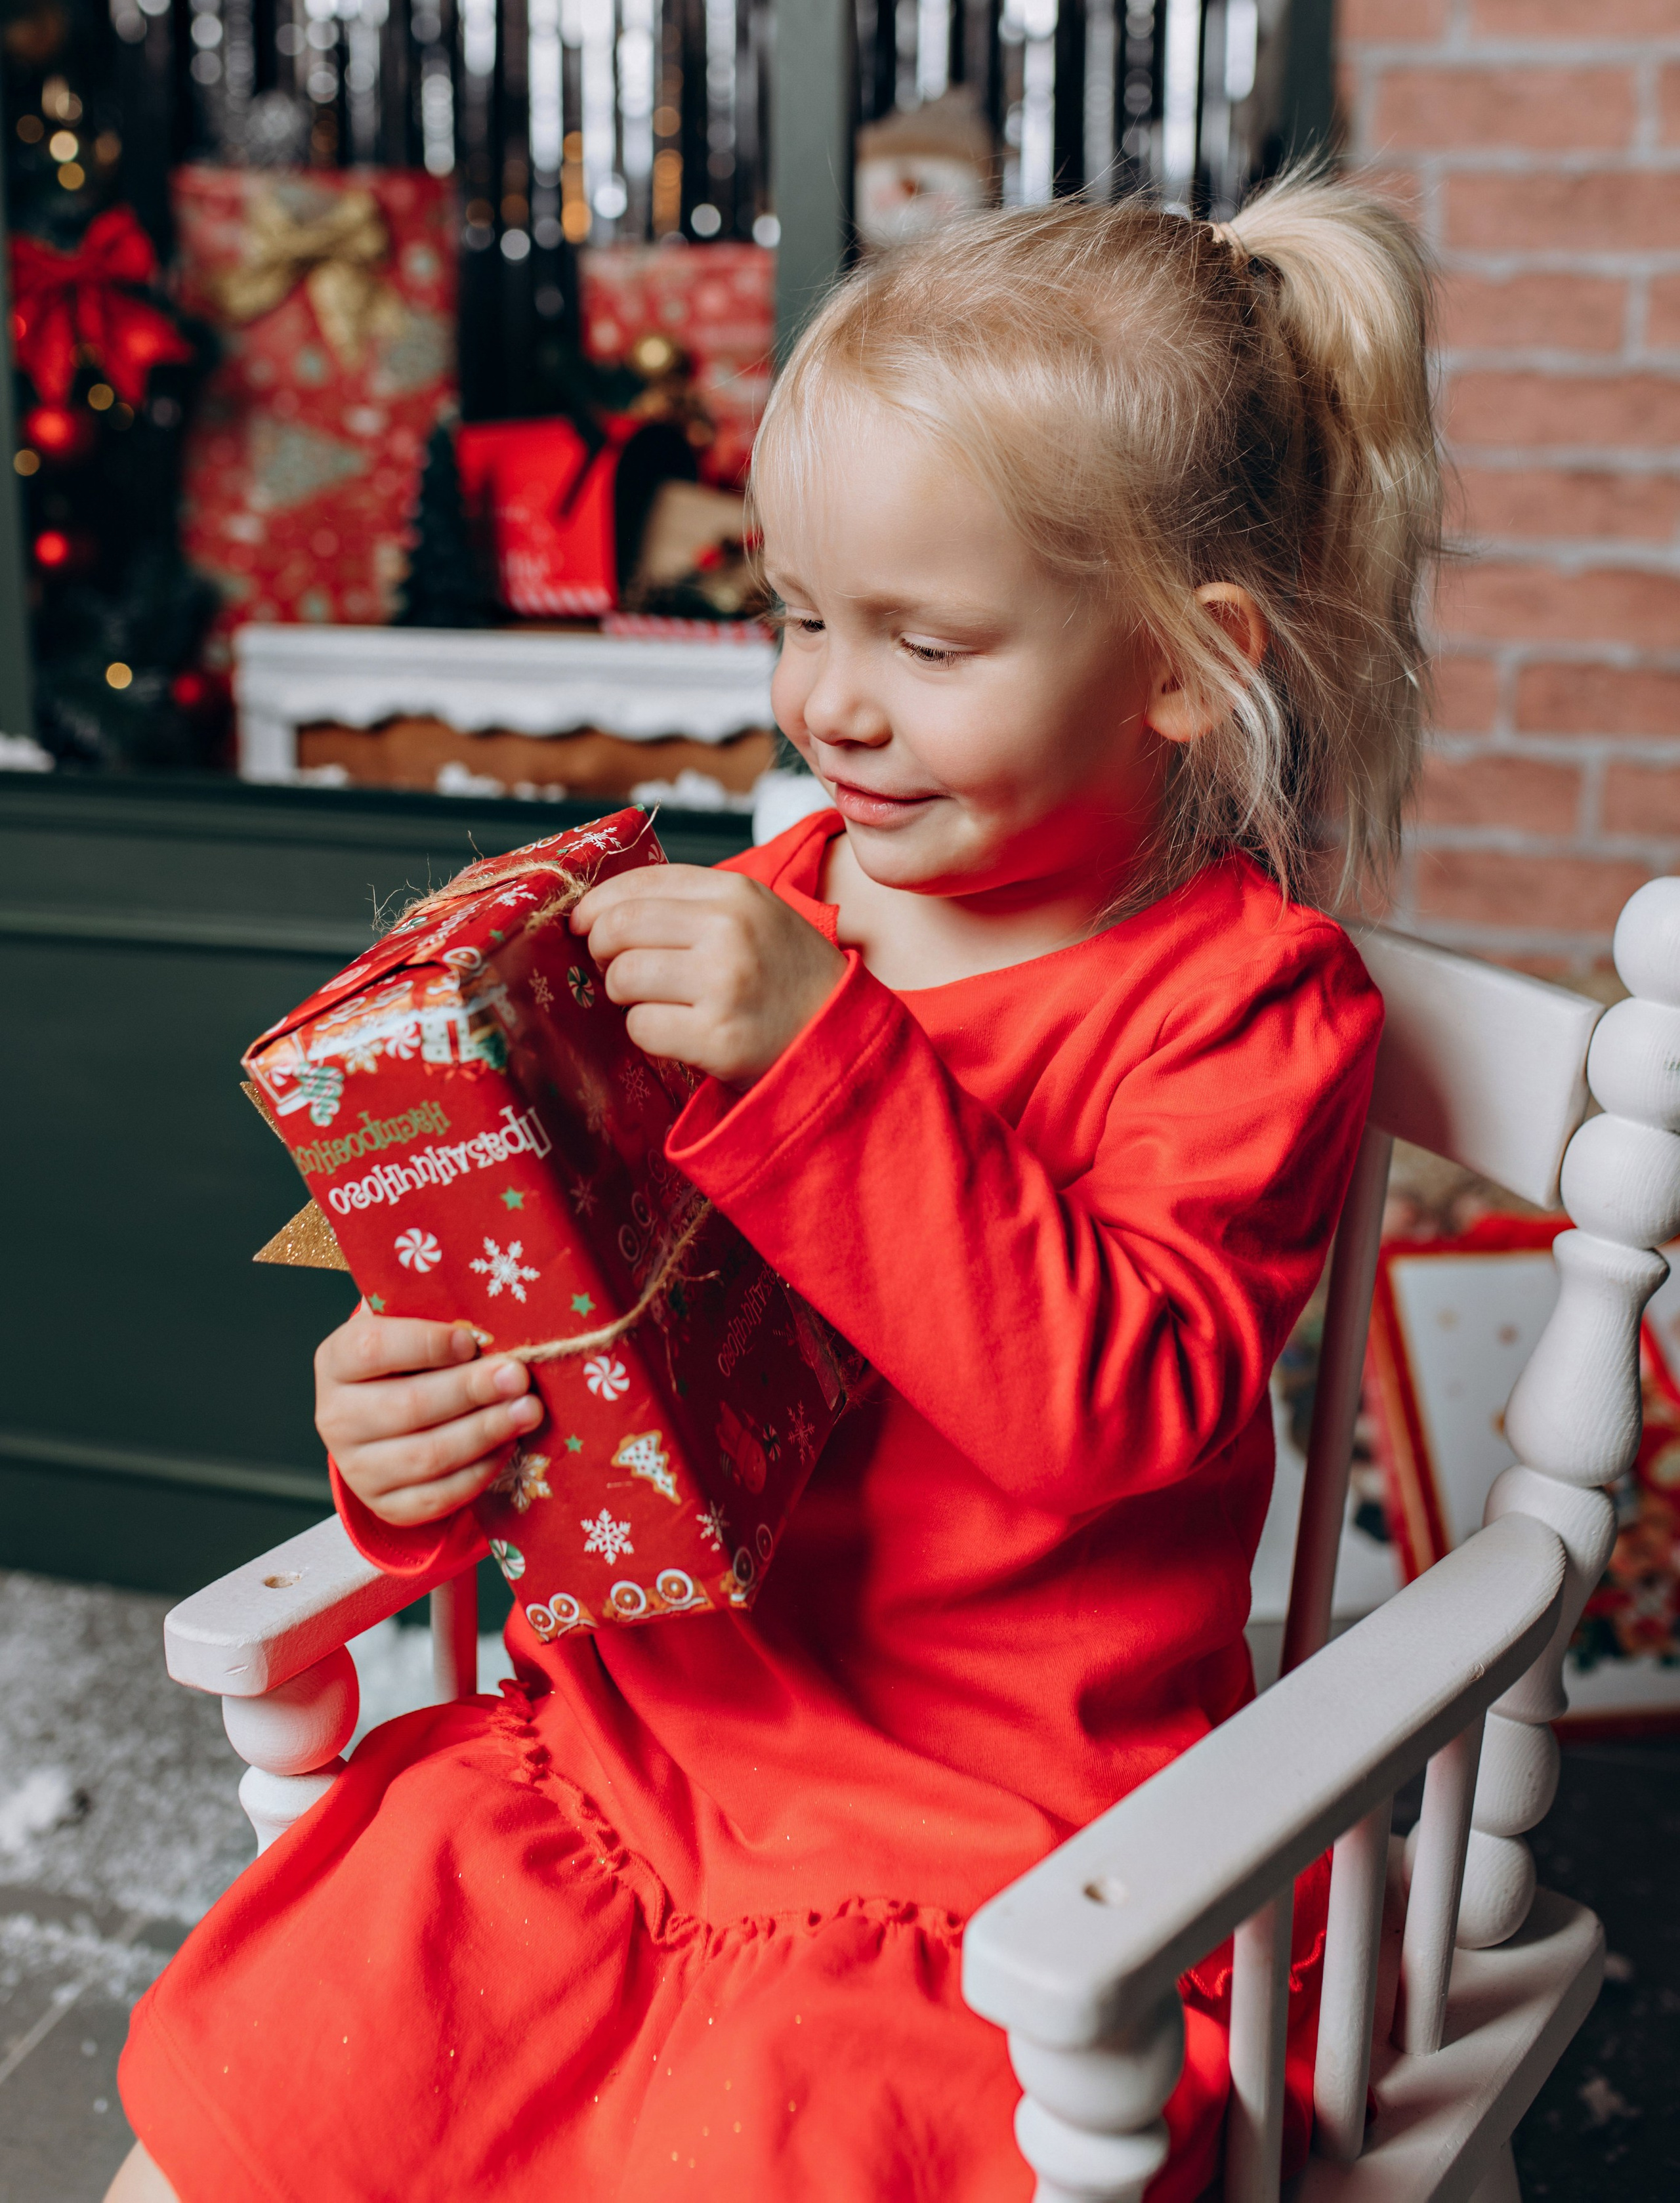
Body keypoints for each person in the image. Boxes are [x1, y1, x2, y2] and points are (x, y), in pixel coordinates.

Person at [112, 167, 1439, 2203]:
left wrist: (831, 1057)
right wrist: (415, 1432)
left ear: (1184, 663)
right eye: (800, 615)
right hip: (636, 1753)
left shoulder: (1244, 1010)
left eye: (927, 641)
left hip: (987, 1845)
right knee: (265, 2108)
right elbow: (590, 1336)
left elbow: (1121, 1411)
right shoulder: (746, 915)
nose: (829, 702)